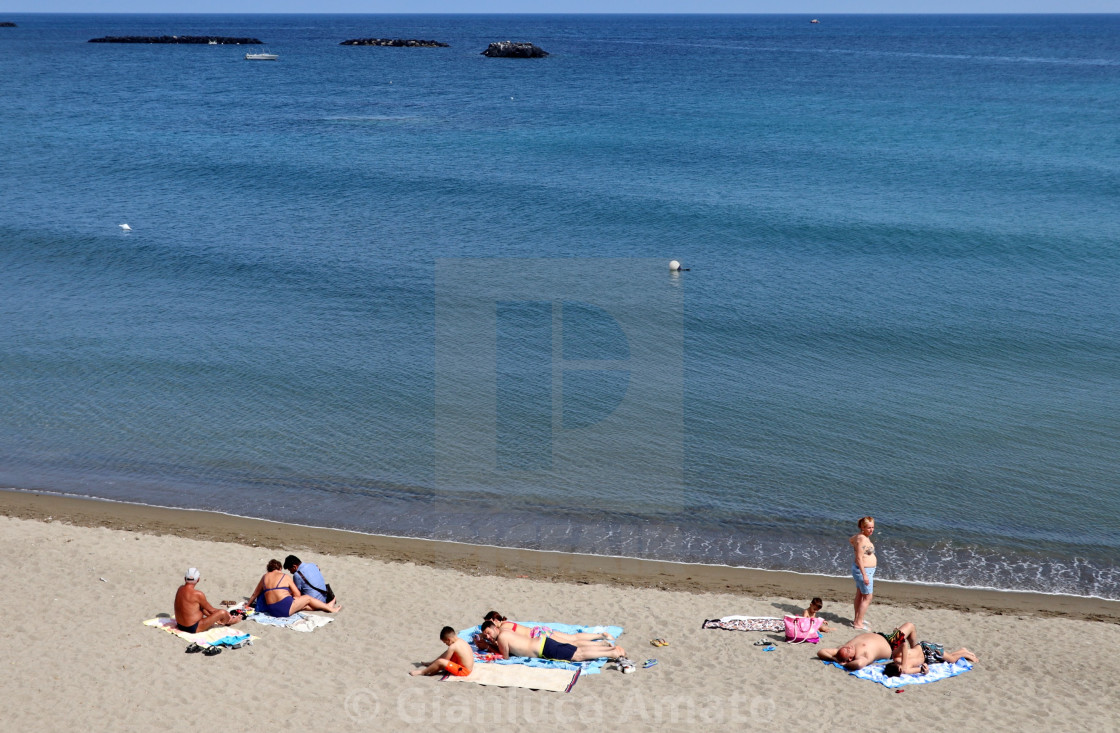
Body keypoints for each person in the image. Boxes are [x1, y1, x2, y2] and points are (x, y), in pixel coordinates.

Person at [479, 620, 627, 664]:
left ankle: (613, 652)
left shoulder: (502, 638)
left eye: (488, 633)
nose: (488, 636)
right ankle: (611, 651)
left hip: (543, 649)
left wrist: (488, 646)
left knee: (578, 654)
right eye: (486, 635)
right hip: (544, 642)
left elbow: (504, 656)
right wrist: (490, 643)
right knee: (575, 649)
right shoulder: (505, 632)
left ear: (494, 628)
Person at [247, 559, 341, 616]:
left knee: (302, 605)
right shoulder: (285, 577)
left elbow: (255, 594)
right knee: (306, 598)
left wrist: (247, 605)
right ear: (280, 569)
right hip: (284, 610)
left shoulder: (264, 577)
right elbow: (298, 594)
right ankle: (330, 609)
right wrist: (292, 596)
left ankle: (326, 607)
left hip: (272, 610)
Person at [817, 622, 918, 671]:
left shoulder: (840, 651)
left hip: (882, 635)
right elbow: (859, 665)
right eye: (848, 650)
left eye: (846, 647)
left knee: (908, 627)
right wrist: (844, 665)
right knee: (910, 626)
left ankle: (914, 649)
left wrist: (834, 658)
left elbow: (821, 652)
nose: (848, 647)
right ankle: (915, 650)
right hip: (891, 644)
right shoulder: (862, 656)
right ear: (850, 658)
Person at [481, 611, 615, 645]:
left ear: (494, 620)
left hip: (538, 636)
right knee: (572, 638)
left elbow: (506, 641)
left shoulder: (504, 628)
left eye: (489, 624)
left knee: (570, 643)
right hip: (539, 630)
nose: (490, 627)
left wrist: (491, 643)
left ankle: (602, 643)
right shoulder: (508, 622)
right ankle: (600, 635)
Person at [174, 567, 240, 634]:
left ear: (185, 579)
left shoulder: (180, 589)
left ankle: (222, 620)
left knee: (202, 608)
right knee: (222, 612)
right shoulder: (198, 594)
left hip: (180, 625)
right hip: (193, 627)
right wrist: (227, 614)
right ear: (198, 580)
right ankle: (230, 621)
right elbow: (212, 610)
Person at [884, 641, 978, 677]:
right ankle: (962, 651)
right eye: (901, 672)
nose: (902, 670)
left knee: (952, 660)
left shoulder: (897, 657)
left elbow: (903, 644)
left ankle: (966, 654)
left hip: (925, 649)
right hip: (927, 659)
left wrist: (903, 664)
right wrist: (925, 670)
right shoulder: (905, 670)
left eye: (900, 669)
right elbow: (921, 670)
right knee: (945, 659)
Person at [410, 626, 476, 677]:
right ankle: (431, 663)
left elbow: (444, 662)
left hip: (464, 671)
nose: (446, 644)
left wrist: (434, 670)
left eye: (445, 642)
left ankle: (422, 672)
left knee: (440, 661)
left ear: (449, 640)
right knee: (447, 652)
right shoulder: (461, 641)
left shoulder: (453, 646)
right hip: (470, 668)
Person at [850, 516, 877, 630]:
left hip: (863, 571)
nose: (871, 530)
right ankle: (858, 623)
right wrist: (864, 575)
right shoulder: (862, 539)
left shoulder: (859, 537)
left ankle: (857, 619)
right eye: (869, 528)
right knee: (867, 597)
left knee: (860, 594)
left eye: (873, 527)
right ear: (862, 527)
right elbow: (859, 558)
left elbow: (851, 540)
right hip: (863, 571)